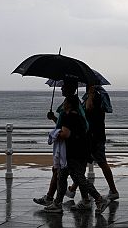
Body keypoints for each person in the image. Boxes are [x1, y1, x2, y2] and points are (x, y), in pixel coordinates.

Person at [43, 91, 110, 214]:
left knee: (79, 178)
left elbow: (65, 134)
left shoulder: (69, 116)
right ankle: (57, 203)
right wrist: (54, 119)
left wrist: (54, 134)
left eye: (65, 102)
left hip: (74, 152)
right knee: (62, 176)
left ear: (68, 104)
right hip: (78, 151)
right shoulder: (78, 116)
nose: (63, 105)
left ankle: (99, 199)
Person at [33, 77, 88, 208]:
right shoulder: (69, 104)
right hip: (69, 145)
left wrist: (58, 134)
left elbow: (71, 127)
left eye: (64, 86)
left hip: (70, 146)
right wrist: (53, 118)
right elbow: (64, 124)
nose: (61, 88)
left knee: (70, 175)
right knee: (61, 173)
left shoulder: (73, 105)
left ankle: (89, 199)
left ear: (70, 88)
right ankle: (52, 198)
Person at [65, 85, 119, 207]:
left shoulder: (96, 96)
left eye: (87, 84)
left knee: (101, 162)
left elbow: (89, 109)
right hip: (92, 136)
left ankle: (113, 191)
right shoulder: (92, 96)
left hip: (95, 137)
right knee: (84, 164)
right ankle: (73, 190)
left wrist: (90, 94)